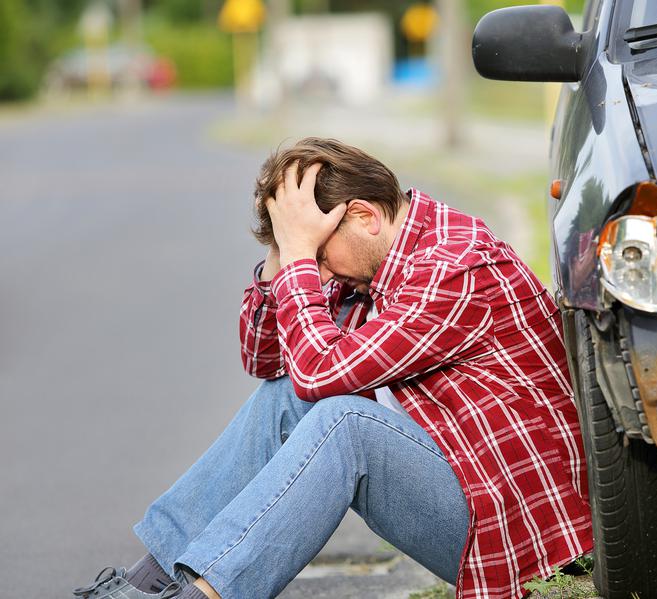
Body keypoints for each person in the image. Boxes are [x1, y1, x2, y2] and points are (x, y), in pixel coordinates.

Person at [72, 138, 592, 599]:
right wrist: (284, 254)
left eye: (319, 251)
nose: (317, 271)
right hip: (471, 496)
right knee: (287, 400)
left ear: (365, 216)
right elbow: (267, 361)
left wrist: (301, 254)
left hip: (526, 533)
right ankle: (144, 584)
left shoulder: (454, 266)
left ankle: (206, 594)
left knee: (344, 424)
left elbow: (321, 371)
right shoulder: (370, 262)